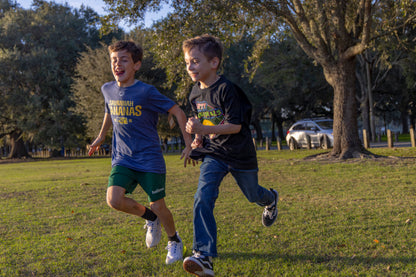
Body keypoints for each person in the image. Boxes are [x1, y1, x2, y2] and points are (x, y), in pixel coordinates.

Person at [181, 34, 279, 277]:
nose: (190, 67)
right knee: (203, 196)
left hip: (240, 153)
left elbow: (235, 126)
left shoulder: (227, 90)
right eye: (187, 62)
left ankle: (270, 199)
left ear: (213, 63)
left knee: (252, 194)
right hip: (214, 154)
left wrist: (204, 129)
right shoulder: (194, 94)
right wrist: (197, 140)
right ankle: (203, 256)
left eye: (195, 61)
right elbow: (204, 123)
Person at [88, 40, 193, 265]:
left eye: (124, 60)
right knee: (113, 200)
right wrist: (101, 137)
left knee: (159, 204)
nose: (118, 64)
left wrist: (188, 144)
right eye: (114, 60)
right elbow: (109, 112)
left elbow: (176, 110)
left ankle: (174, 240)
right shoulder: (107, 89)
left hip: (149, 159)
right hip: (123, 158)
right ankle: (149, 217)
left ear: (136, 65)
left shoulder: (146, 92)